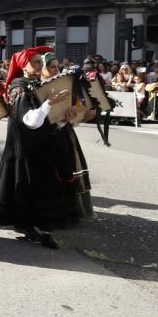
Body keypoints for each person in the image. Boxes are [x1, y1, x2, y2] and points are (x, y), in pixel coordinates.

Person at [0, 46, 78, 249]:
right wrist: (49, 104)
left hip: (40, 144)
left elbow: (46, 120)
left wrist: (63, 120)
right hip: (24, 145)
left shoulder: (38, 84)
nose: (39, 65)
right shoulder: (19, 86)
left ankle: (36, 227)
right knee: (27, 184)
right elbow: (29, 121)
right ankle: (32, 228)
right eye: (35, 62)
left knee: (38, 185)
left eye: (40, 62)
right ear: (23, 66)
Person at [40, 53, 95, 219]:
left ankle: (72, 211)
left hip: (64, 133)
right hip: (46, 139)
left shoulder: (65, 84)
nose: (56, 70)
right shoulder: (38, 89)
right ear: (42, 69)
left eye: (57, 66)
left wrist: (83, 116)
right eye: (51, 67)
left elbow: (74, 110)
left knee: (69, 167)